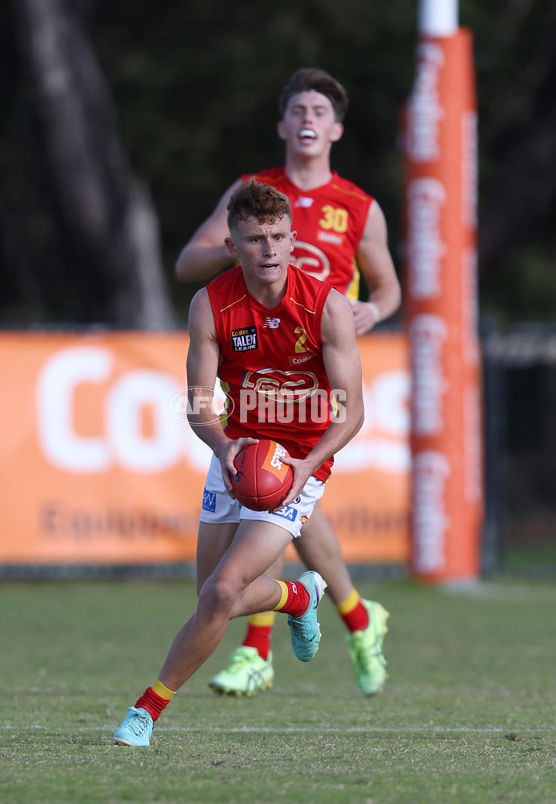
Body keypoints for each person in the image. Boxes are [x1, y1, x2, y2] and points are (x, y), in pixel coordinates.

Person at [113, 179, 364, 746]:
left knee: (223, 592)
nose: (269, 250)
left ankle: (145, 711)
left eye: (278, 237)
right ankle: (296, 596)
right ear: (233, 246)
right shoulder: (210, 303)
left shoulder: (326, 307)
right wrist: (223, 445)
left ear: (294, 240)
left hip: (298, 463)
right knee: (210, 598)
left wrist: (307, 467)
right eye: (255, 239)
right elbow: (199, 401)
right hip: (238, 456)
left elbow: (352, 413)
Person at [174, 68, 401, 698]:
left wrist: (374, 311)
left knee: (276, 495)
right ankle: (350, 616)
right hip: (257, 366)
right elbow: (189, 262)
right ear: (282, 126)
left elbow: (387, 287)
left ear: (336, 128)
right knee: (274, 495)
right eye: (296, 106)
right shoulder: (254, 195)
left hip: (317, 365)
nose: (307, 117)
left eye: (319, 109)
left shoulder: (358, 206)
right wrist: (246, 248)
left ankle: (261, 646)